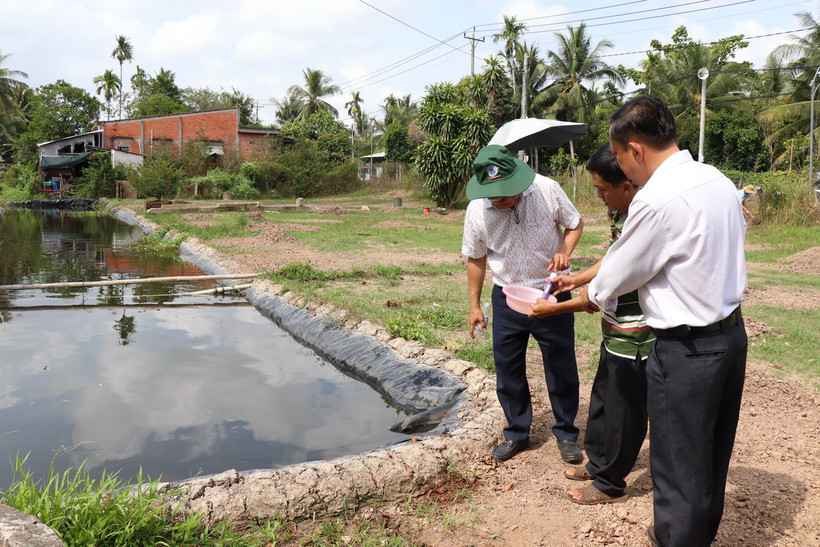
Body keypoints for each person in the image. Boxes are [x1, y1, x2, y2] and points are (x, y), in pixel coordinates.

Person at [574, 96, 748, 546]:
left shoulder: (656, 200)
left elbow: (615, 276)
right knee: (711, 451)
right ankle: (695, 534)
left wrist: (580, 293)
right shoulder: (716, 179)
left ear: (635, 149)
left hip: (687, 350)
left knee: (678, 462)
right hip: (731, 336)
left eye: (618, 157)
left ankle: (676, 537)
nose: (621, 169)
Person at [531, 143, 655, 506]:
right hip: (614, 327)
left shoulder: (644, 218)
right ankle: (599, 461)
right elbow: (613, 258)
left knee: (624, 409)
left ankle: (610, 481)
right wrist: (574, 279)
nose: (598, 196)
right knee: (603, 400)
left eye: (602, 190)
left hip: (636, 333)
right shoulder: (621, 212)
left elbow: (607, 288)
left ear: (626, 186)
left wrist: (556, 308)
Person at [461, 144, 585, 464]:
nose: (500, 200)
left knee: (560, 365)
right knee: (508, 368)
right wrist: (475, 305)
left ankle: (566, 433)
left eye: (506, 194)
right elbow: (475, 258)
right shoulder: (477, 210)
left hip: (551, 293)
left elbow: (574, 223)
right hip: (507, 298)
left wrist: (564, 251)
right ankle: (516, 432)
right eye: (494, 196)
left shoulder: (547, 189)